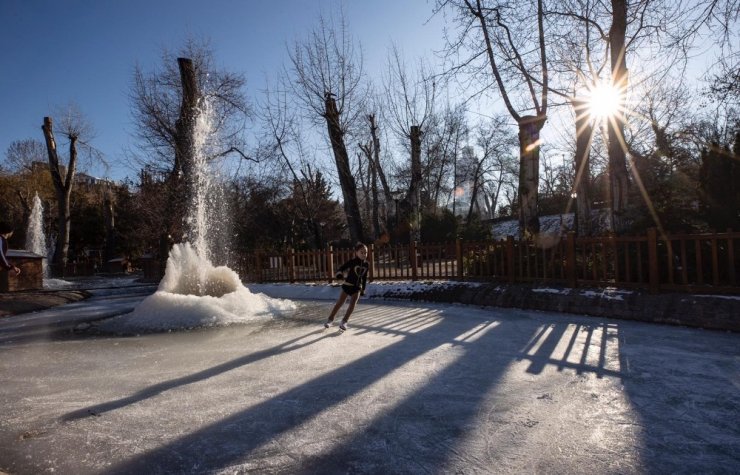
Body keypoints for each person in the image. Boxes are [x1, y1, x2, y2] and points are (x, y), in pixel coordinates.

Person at [325, 242, 369, 332]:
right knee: (340, 303)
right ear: (356, 252)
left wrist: (363, 288)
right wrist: (339, 276)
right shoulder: (352, 262)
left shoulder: (366, 264)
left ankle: (344, 322)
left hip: (357, 287)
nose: (364, 254)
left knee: (352, 305)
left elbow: (364, 277)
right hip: (347, 285)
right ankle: (330, 319)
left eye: (366, 253)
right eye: (362, 252)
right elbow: (341, 268)